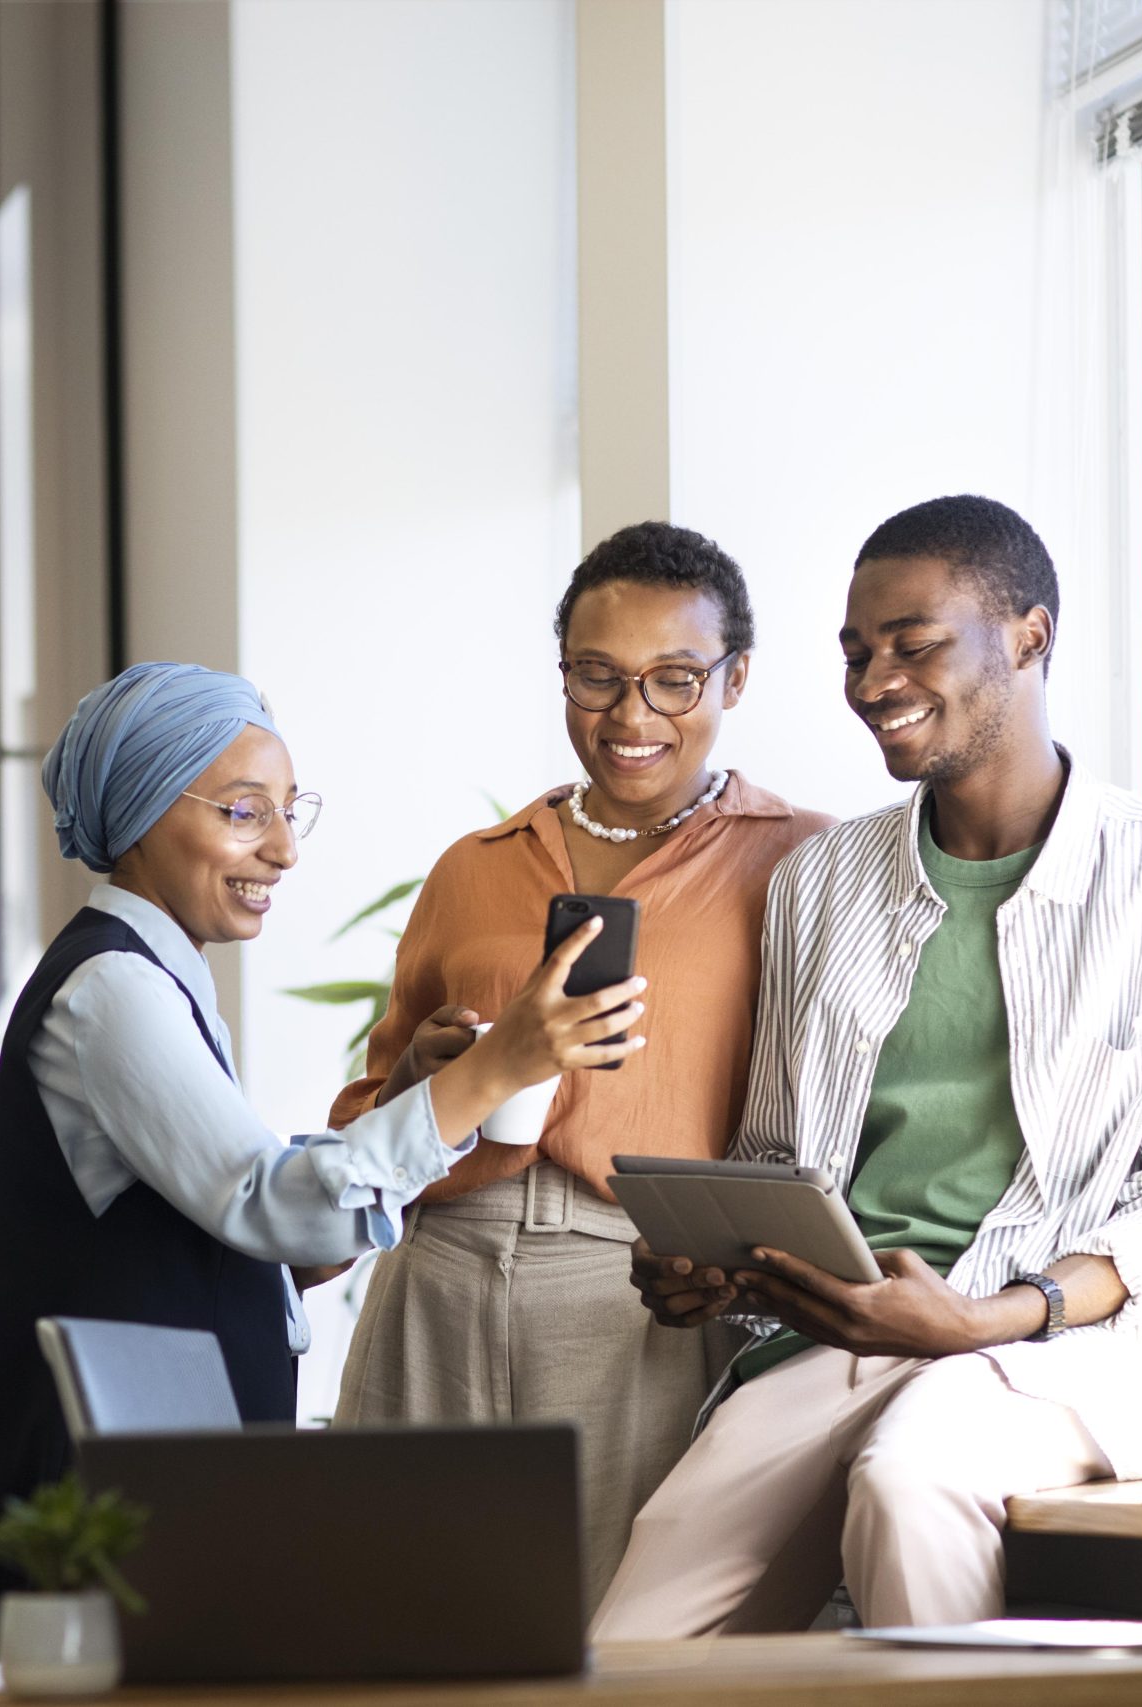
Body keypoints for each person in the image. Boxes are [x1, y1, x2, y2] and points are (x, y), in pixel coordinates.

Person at [592, 495, 1142, 1637]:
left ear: (1029, 636)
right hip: (840, 1341)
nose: (874, 680)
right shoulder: (820, 883)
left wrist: (995, 1316)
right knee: (628, 1646)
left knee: (910, 1484)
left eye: (913, 645)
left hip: (1071, 1348)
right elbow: (779, 1153)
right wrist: (721, 1266)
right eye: (856, 652)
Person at [0, 661, 645, 1659]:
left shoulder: (158, 981)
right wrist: (494, 1072)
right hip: (105, 1493)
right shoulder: (111, 992)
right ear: (139, 811)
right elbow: (275, 1211)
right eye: (241, 812)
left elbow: (275, 1253)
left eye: (288, 812)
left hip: (163, 1472)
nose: (281, 850)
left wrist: (408, 1098)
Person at [329, 523, 831, 1601]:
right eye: (596, 678)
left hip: (635, 1294)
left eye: (674, 681)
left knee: (606, 1639)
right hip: (437, 1274)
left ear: (735, 678)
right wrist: (428, 1071)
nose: (630, 717)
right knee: (387, 1618)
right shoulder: (475, 868)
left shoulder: (803, 861)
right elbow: (364, 1119)